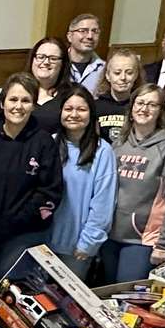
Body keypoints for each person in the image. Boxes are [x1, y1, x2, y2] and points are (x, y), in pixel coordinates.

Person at [0, 73, 64, 297]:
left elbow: (49, 191)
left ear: (33, 105)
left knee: (6, 286)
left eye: (25, 100)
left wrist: (16, 220)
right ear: (3, 103)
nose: (18, 106)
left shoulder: (44, 143)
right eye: (13, 99)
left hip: (25, 232)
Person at [103, 83, 165, 284]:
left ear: (160, 111)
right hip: (109, 236)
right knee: (105, 290)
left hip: (143, 240)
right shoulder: (119, 144)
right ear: (131, 108)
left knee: (126, 294)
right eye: (140, 103)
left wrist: (163, 244)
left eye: (152, 104)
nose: (144, 109)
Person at [47, 87, 116, 279]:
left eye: (81, 109)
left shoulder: (102, 151)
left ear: (91, 114)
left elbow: (103, 202)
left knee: (68, 297)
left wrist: (89, 242)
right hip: (42, 242)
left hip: (77, 247)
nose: (74, 114)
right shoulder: (49, 144)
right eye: (68, 109)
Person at [92, 49, 146, 144]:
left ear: (136, 75)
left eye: (129, 73)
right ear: (108, 75)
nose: (123, 78)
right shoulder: (95, 106)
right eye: (117, 73)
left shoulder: (142, 107)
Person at [22, 36, 70, 132]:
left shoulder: (71, 94)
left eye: (53, 58)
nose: (46, 62)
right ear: (32, 59)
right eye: (41, 57)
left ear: (63, 64)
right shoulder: (16, 88)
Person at [64, 11, 106, 93]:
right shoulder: (58, 64)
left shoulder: (105, 69)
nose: (90, 36)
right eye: (83, 31)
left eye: (95, 31)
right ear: (70, 36)